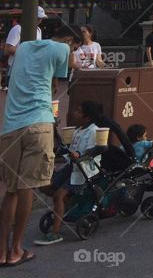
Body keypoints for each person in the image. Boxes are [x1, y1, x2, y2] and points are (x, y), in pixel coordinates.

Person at [0, 21, 70, 266]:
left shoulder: (23, 48)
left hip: (9, 126)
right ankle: (17, 249)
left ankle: (1, 251)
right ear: (70, 41)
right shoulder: (62, 48)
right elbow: (59, 78)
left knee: (10, 190)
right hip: (38, 122)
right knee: (26, 187)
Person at [33, 100, 102, 247]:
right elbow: (68, 150)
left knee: (58, 196)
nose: (74, 113)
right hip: (72, 167)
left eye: (78, 111)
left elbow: (91, 152)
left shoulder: (93, 131)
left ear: (87, 117)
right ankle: (67, 203)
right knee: (44, 185)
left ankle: (55, 232)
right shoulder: (77, 131)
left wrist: (78, 155)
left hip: (84, 171)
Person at [3, 7, 46, 80]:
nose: (40, 20)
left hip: (30, 68)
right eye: (38, 18)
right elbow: (8, 49)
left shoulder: (38, 30)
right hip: (16, 68)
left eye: (41, 18)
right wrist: (28, 51)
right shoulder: (18, 28)